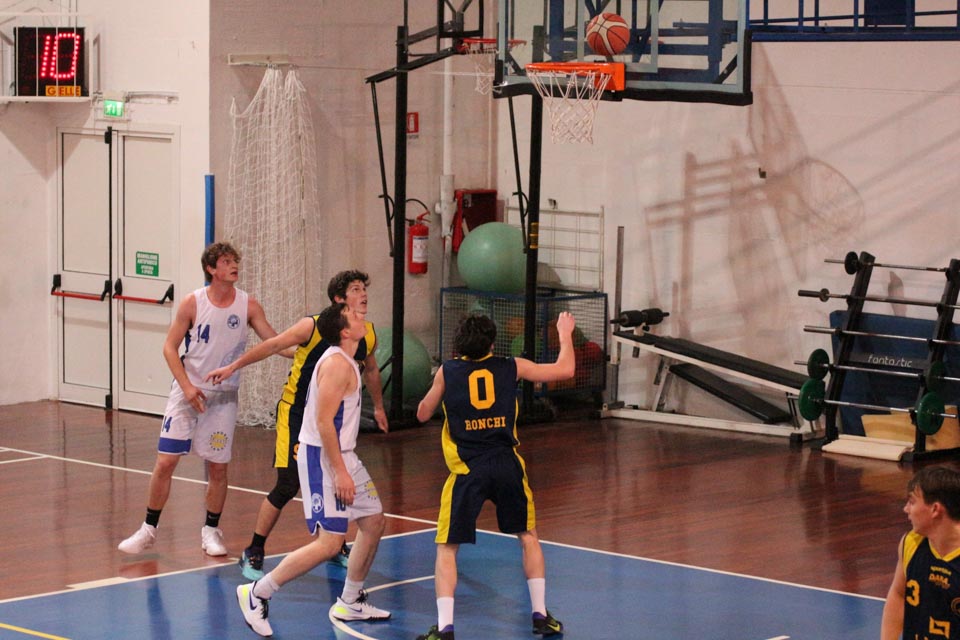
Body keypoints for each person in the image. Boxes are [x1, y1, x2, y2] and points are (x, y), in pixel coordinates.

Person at [205, 270, 388, 580]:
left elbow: (370, 369)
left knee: (335, 479)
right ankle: (254, 548)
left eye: (363, 288)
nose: (363, 294)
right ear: (339, 300)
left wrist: (380, 407)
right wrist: (233, 366)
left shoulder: (366, 333)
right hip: (297, 414)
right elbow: (273, 345)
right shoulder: (312, 326)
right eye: (356, 289)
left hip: (329, 418)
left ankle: (334, 543)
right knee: (289, 483)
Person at [414, 311, 576, 640]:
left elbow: (422, 414)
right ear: (492, 343)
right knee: (528, 537)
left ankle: (445, 628)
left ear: (459, 344)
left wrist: (442, 393)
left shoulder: (448, 371)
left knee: (447, 548)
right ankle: (540, 615)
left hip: (467, 469)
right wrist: (564, 333)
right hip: (506, 464)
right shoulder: (512, 366)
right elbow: (565, 370)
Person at [236, 302, 390, 637]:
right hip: (323, 458)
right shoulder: (336, 366)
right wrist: (341, 472)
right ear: (344, 331)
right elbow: (323, 423)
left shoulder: (349, 359)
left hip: (342, 454)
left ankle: (350, 600)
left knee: (374, 522)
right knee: (330, 544)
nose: (362, 315)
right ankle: (257, 592)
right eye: (354, 315)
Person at [118, 242, 281, 556]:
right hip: (187, 392)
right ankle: (148, 529)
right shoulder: (192, 303)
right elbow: (169, 347)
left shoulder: (248, 305)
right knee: (165, 462)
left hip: (223, 399)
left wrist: (308, 345)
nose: (234, 265)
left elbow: (275, 342)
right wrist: (187, 387)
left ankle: (211, 531)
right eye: (226, 261)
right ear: (211, 268)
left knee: (218, 468)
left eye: (235, 260)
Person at [881, 465, 960, 640]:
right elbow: (898, 594)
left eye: (912, 502)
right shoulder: (911, 543)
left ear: (935, 509)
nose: (906, 509)